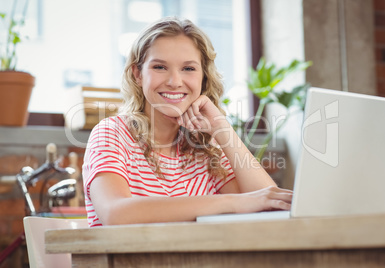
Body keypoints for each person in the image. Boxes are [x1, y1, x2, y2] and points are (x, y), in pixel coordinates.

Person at [82, 16, 292, 227]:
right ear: (138, 74)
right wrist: (230, 202)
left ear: (203, 77)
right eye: (159, 67)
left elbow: (272, 205)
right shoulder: (111, 133)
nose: (174, 82)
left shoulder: (207, 148)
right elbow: (115, 213)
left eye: (189, 69)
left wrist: (221, 128)